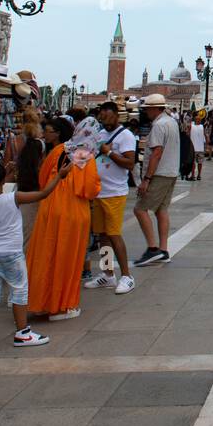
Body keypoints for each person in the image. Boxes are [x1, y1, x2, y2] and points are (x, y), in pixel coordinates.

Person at [0, 161, 66, 348]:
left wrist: (4, 175)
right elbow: (43, 194)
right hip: (12, 254)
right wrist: (60, 175)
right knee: (19, 290)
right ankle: (23, 333)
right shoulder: (13, 198)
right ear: (3, 182)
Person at [25, 117, 101, 321]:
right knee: (67, 260)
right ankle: (61, 307)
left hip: (49, 208)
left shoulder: (59, 150)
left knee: (45, 254)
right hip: (73, 212)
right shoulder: (85, 155)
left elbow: (42, 179)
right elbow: (89, 189)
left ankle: (39, 302)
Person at [83, 101, 137, 294]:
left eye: (105, 116)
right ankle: (108, 274)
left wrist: (110, 152)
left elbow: (129, 163)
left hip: (115, 193)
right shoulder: (101, 134)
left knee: (114, 234)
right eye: (101, 117)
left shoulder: (126, 136)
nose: (103, 120)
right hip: (99, 192)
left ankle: (126, 276)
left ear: (115, 114)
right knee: (103, 235)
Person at [134, 94, 179, 267]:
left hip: (159, 173)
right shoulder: (171, 122)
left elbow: (156, 153)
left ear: (154, 108)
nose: (145, 112)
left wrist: (146, 179)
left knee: (140, 209)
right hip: (170, 172)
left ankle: (153, 249)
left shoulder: (159, 125)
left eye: (147, 109)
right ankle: (163, 250)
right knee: (161, 210)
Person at [189, 112, 206, 181]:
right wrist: (206, 144)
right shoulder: (202, 127)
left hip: (194, 148)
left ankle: (193, 176)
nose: (198, 120)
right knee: (199, 162)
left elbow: (187, 134)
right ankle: (198, 175)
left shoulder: (191, 126)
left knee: (194, 162)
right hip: (200, 148)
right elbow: (206, 136)